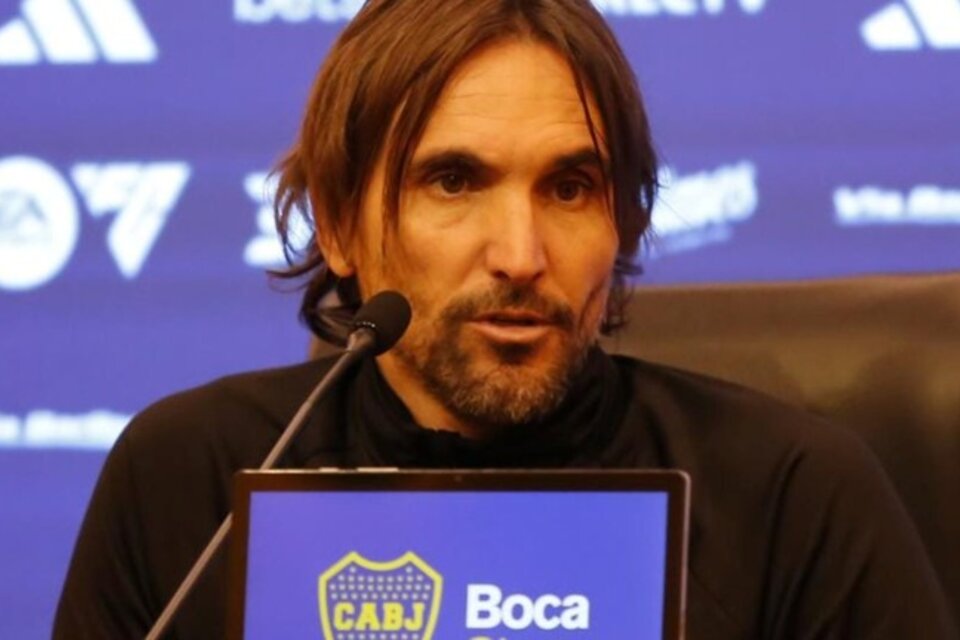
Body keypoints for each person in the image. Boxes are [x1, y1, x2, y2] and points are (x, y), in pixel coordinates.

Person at [54, 0, 956, 638]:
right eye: (454, 181)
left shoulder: (792, 495)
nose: (521, 254)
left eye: (570, 188)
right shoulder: (190, 481)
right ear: (337, 225)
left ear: (623, 220)